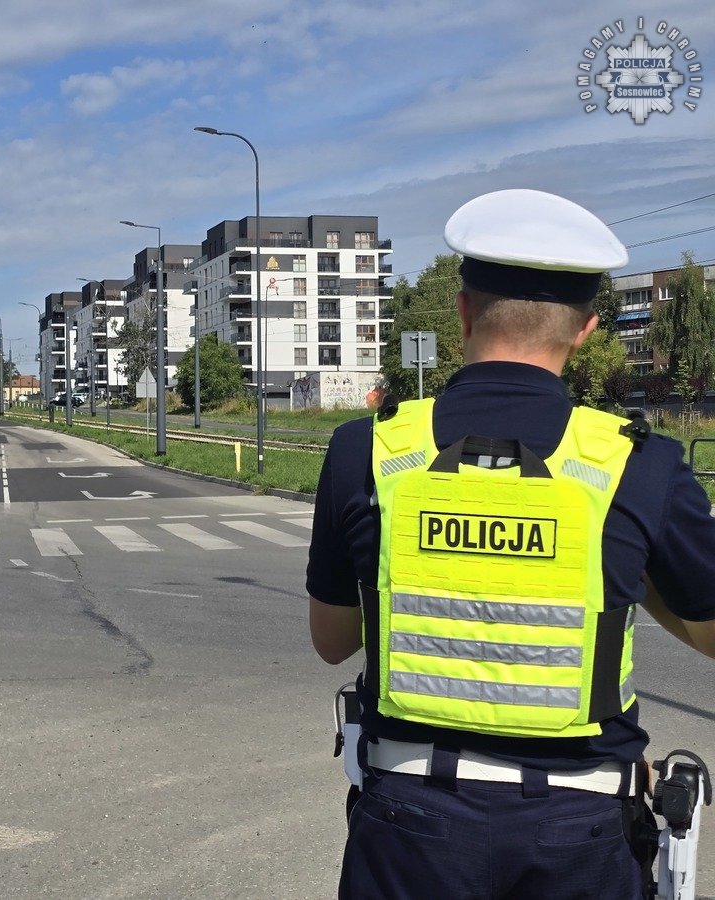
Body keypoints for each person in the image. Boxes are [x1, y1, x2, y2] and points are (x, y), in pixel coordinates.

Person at [306, 189, 715, 900]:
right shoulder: (638, 465)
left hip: (408, 826)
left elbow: (332, 639)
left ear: (461, 312)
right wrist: (625, 570)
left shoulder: (364, 451)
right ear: (586, 328)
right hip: (581, 831)